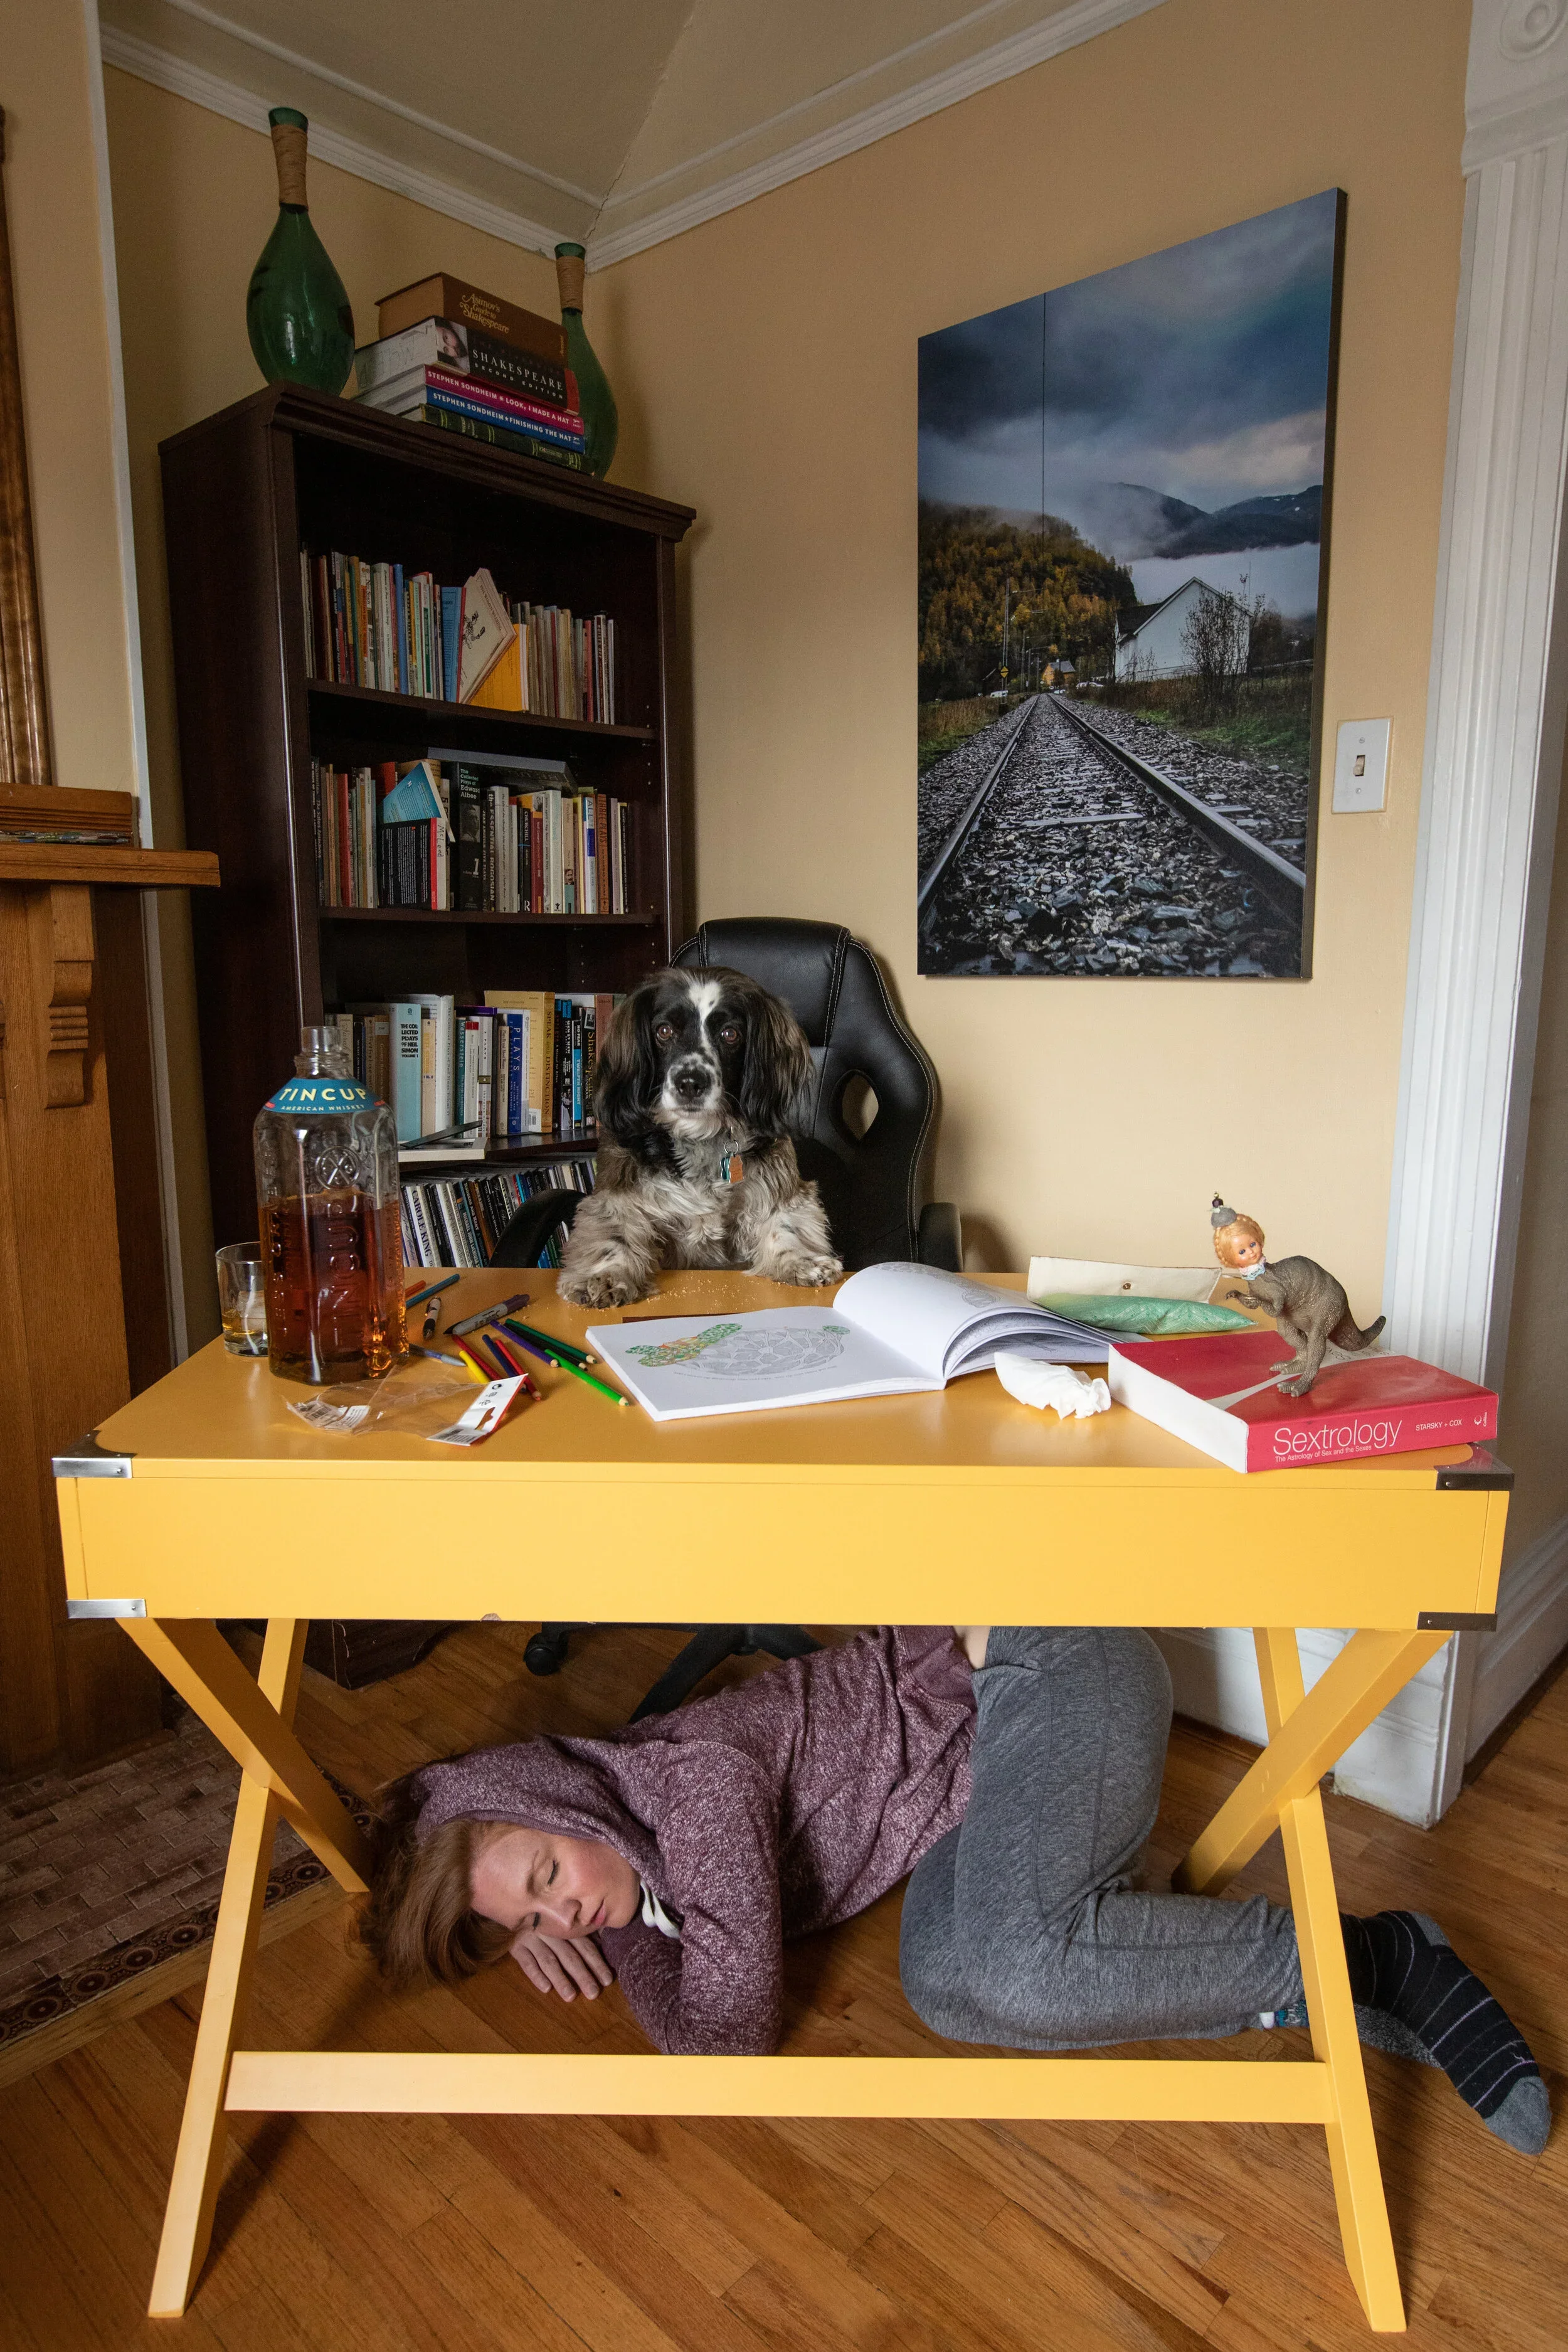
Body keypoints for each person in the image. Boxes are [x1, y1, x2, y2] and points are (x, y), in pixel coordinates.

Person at [360, 1626, 1549, 2155]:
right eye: (530, 1921)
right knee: (950, 1988)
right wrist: (536, 1911)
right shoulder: (620, 1837)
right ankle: (1337, 1994)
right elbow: (603, 1907)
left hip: (1044, 1661)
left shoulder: (693, 1789)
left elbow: (722, 2038)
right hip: (969, 1777)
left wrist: (625, 1956)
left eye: (551, 1877)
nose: (564, 1918)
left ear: (564, 1803)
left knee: (1017, 1965)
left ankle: (1381, 1960)